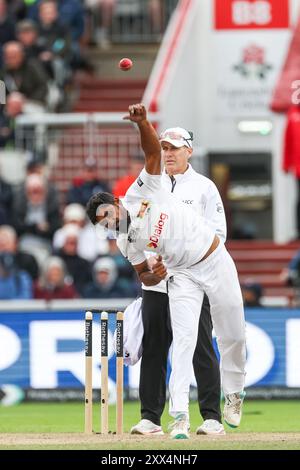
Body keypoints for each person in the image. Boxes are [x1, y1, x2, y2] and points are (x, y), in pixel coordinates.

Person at [87, 103, 247, 439]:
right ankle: (175, 419)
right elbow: (144, 274)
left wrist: (143, 122)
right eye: (104, 223)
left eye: (109, 214)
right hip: (179, 275)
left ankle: (230, 396)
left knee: (230, 334)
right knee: (178, 345)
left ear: (117, 203)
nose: (111, 222)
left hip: (214, 260)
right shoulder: (123, 242)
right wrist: (155, 272)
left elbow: (149, 152)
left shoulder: (143, 190)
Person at [130, 126, 227, 436]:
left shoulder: (204, 188)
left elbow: (218, 235)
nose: (168, 153)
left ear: (189, 151)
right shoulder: (149, 182)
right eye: (165, 148)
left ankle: (211, 417)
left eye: (174, 148)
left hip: (195, 279)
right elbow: (133, 227)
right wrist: (148, 261)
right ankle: (150, 419)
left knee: (201, 345)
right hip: (156, 282)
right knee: (155, 346)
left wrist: (188, 259)